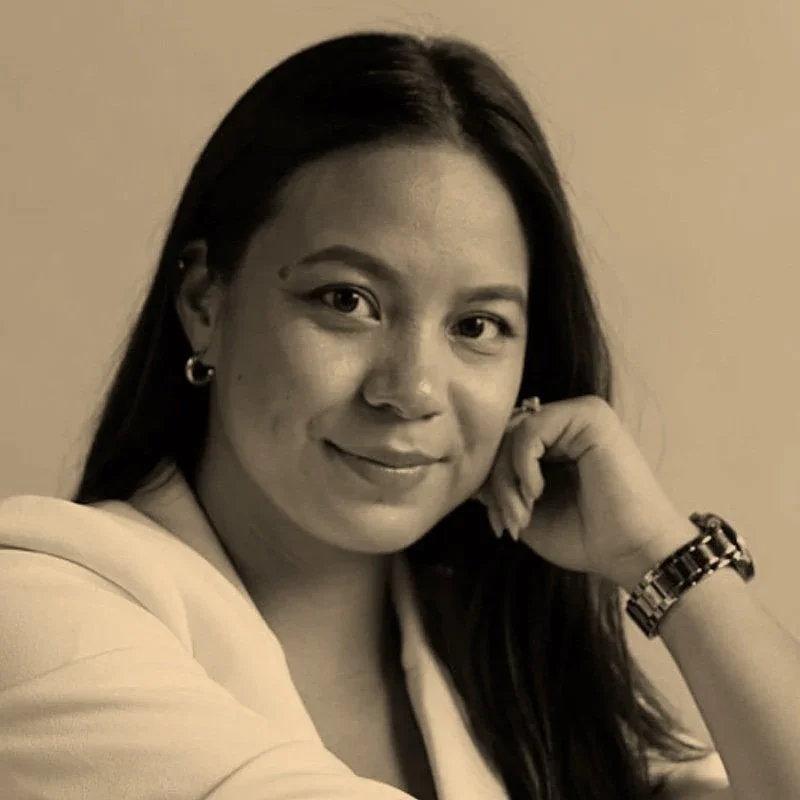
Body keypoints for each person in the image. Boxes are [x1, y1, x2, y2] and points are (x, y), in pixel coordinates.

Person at [0, 30, 797, 800]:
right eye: (347, 301)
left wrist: (660, 555)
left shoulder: (530, 703)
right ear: (205, 301)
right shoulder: (37, 613)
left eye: (476, 325)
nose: (410, 390)